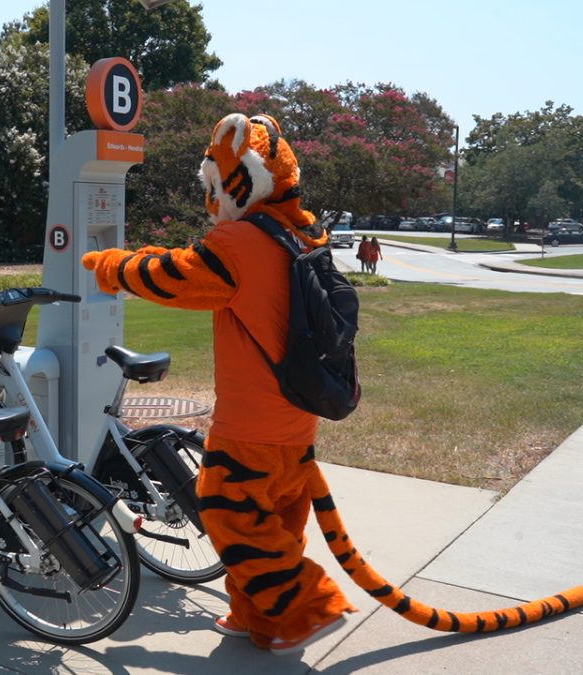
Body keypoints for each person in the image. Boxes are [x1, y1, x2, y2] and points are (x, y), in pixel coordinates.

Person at [83, 113, 356, 654]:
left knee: (230, 515)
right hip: (297, 417)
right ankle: (256, 617)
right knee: (275, 519)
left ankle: (307, 608)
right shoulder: (302, 233)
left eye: (214, 185)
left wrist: (108, 264)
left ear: (242, 178)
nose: (211, 200)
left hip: (250, 424)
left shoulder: (240, 242)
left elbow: (174, 275)